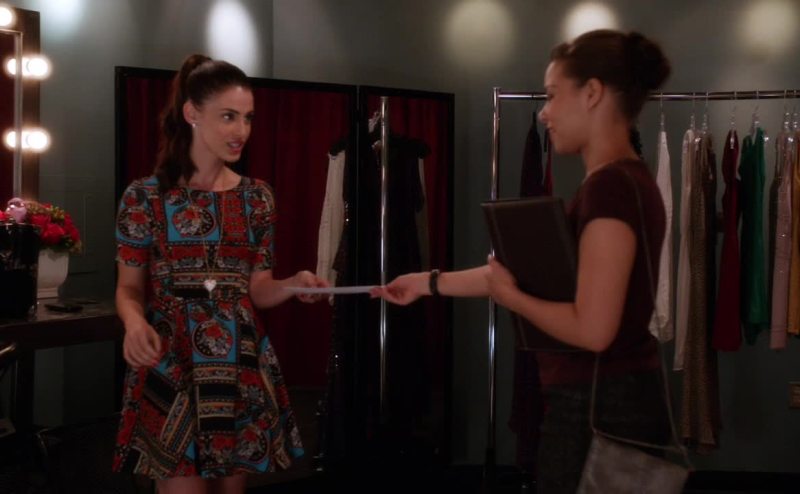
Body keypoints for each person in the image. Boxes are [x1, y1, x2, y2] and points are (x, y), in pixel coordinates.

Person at [373, 30, 672, 492]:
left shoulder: (610, 189)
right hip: (614, 402)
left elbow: (593, 330)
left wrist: (510, 298)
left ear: (592, 93)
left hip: (600, 411)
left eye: (552, 95)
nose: (544, 112)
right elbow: (515, 275)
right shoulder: (623, 182)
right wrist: (427, 282)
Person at [113, 54, 328, 494]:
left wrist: (294, 283)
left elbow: (258, 289)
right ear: (192, 113)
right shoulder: (145, 197)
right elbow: (128, 288)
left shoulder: (258, 197)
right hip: (172, 358)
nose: (241, 131)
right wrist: (134, 323)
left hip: (238, 359)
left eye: (248, 118)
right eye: (229, 116)